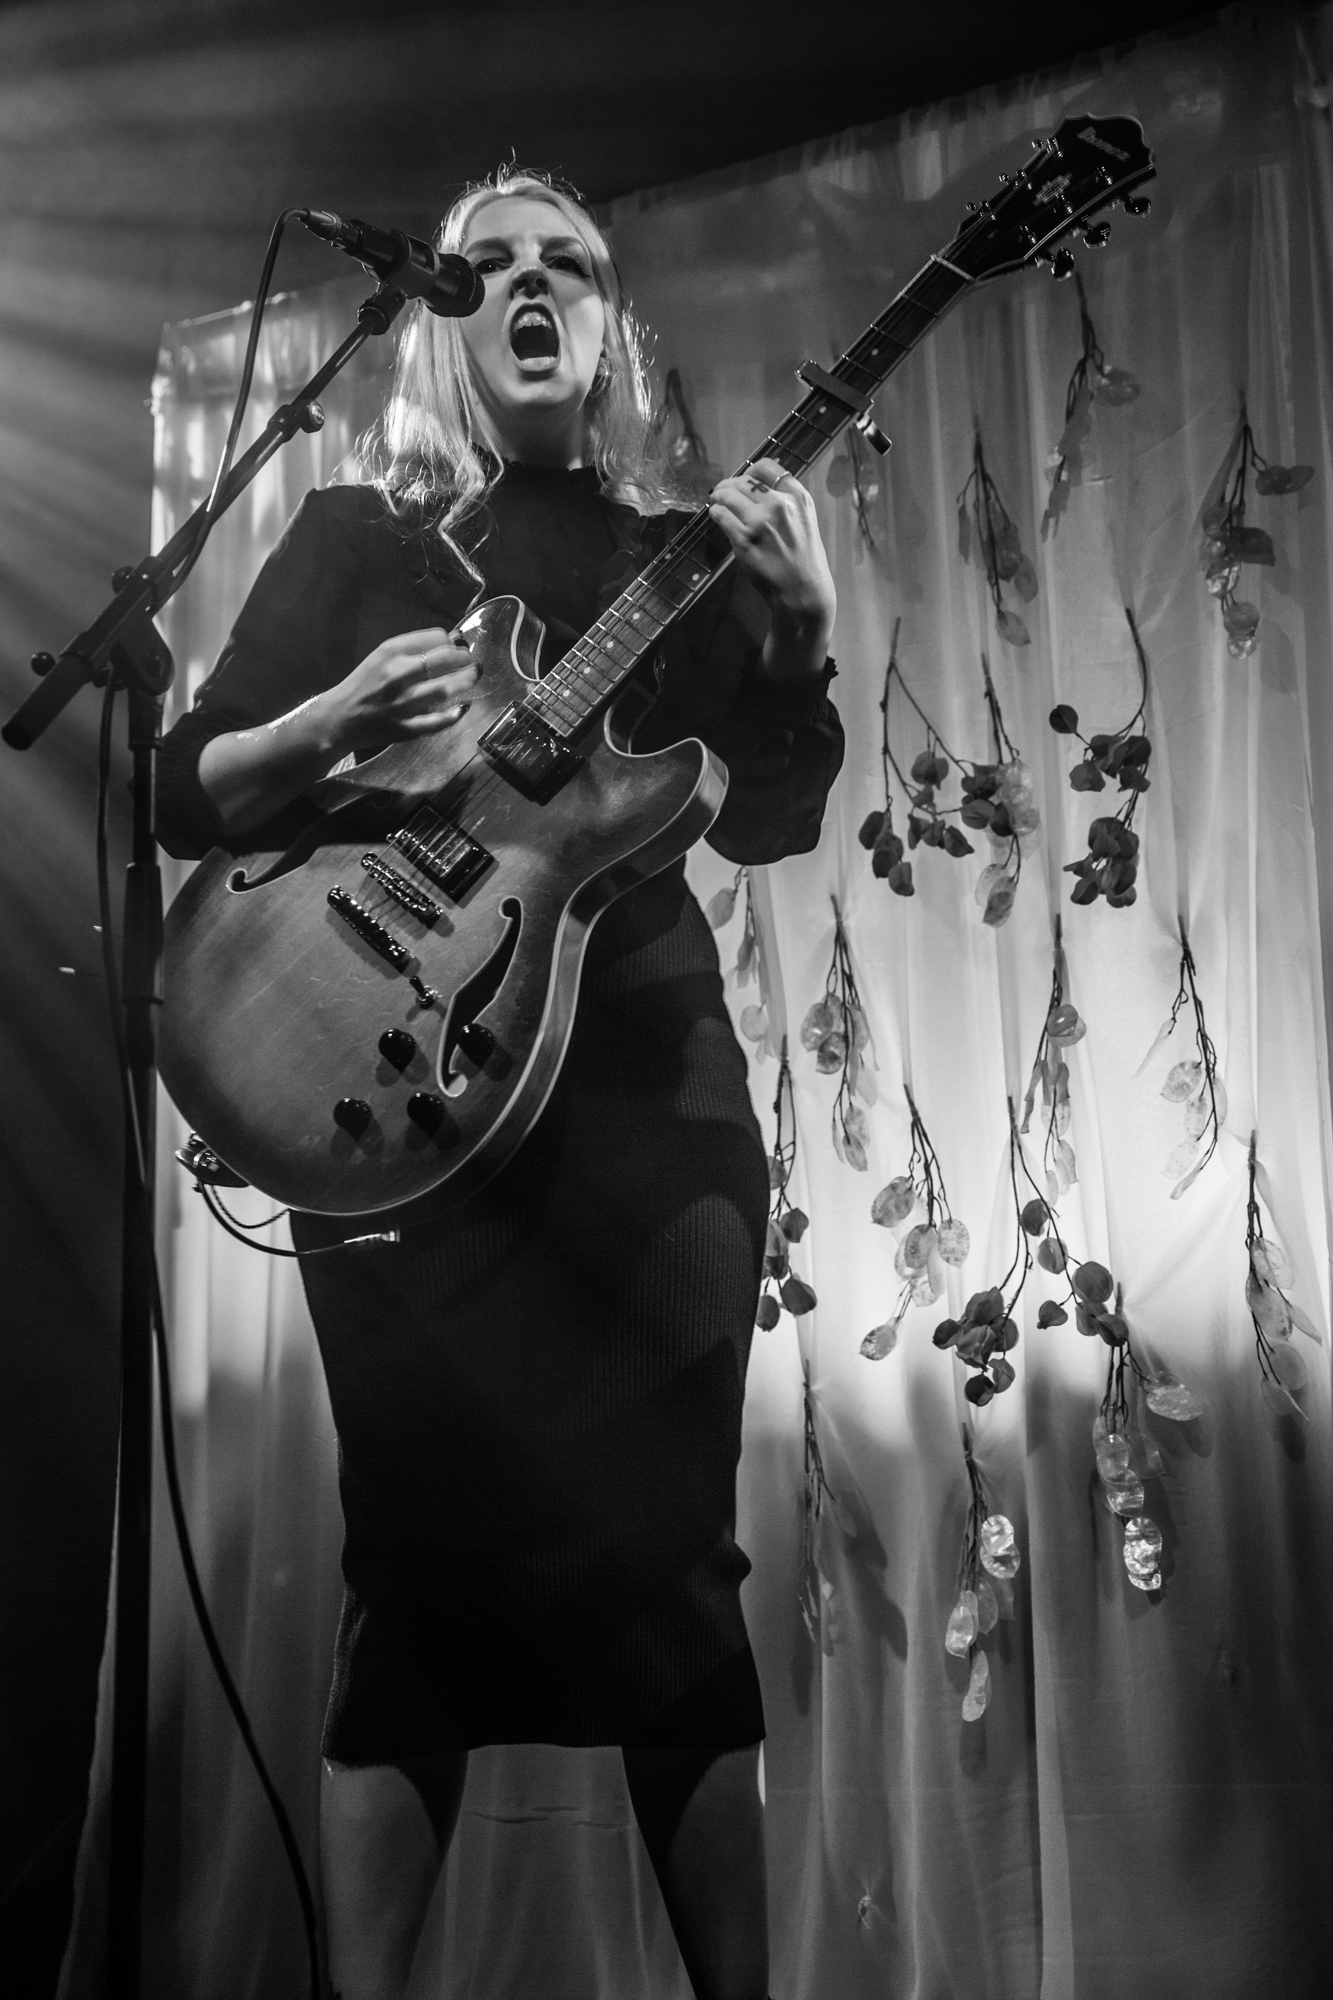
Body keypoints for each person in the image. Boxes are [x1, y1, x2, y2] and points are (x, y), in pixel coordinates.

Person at [157, 166, 843, 2000]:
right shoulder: (356, 541)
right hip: (392, 1092)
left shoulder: (684, 554)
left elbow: (767, 818)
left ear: (610, 328)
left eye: (573, 265)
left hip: (646, 1117)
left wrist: (797, 645)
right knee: (416, 1579)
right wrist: (322, 725)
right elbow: (180, 789)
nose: (534, 286)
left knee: (671, 1570)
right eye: (497, 266)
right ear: (442, 322)